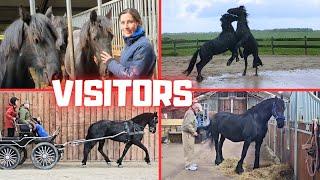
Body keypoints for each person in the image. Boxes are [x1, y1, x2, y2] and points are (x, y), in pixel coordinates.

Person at [99, 8, 156, 78]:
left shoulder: (144, 46)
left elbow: (132, 77)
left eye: (130, 22)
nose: (125, 27)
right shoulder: (130, 43)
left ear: (138, 23)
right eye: (123, 23)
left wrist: (110, 62)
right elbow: (124, 69)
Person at [182, 102, 203, 171]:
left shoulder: (191, 112)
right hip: (188, 134)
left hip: (189, 134)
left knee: (191, 149)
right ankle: (188, 165)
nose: (198, 112)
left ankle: (190, 163)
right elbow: (187, 125)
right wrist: (194, 132)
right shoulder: (190, 113)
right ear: (195, 108)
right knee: (188, 149)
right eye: (198, 110)